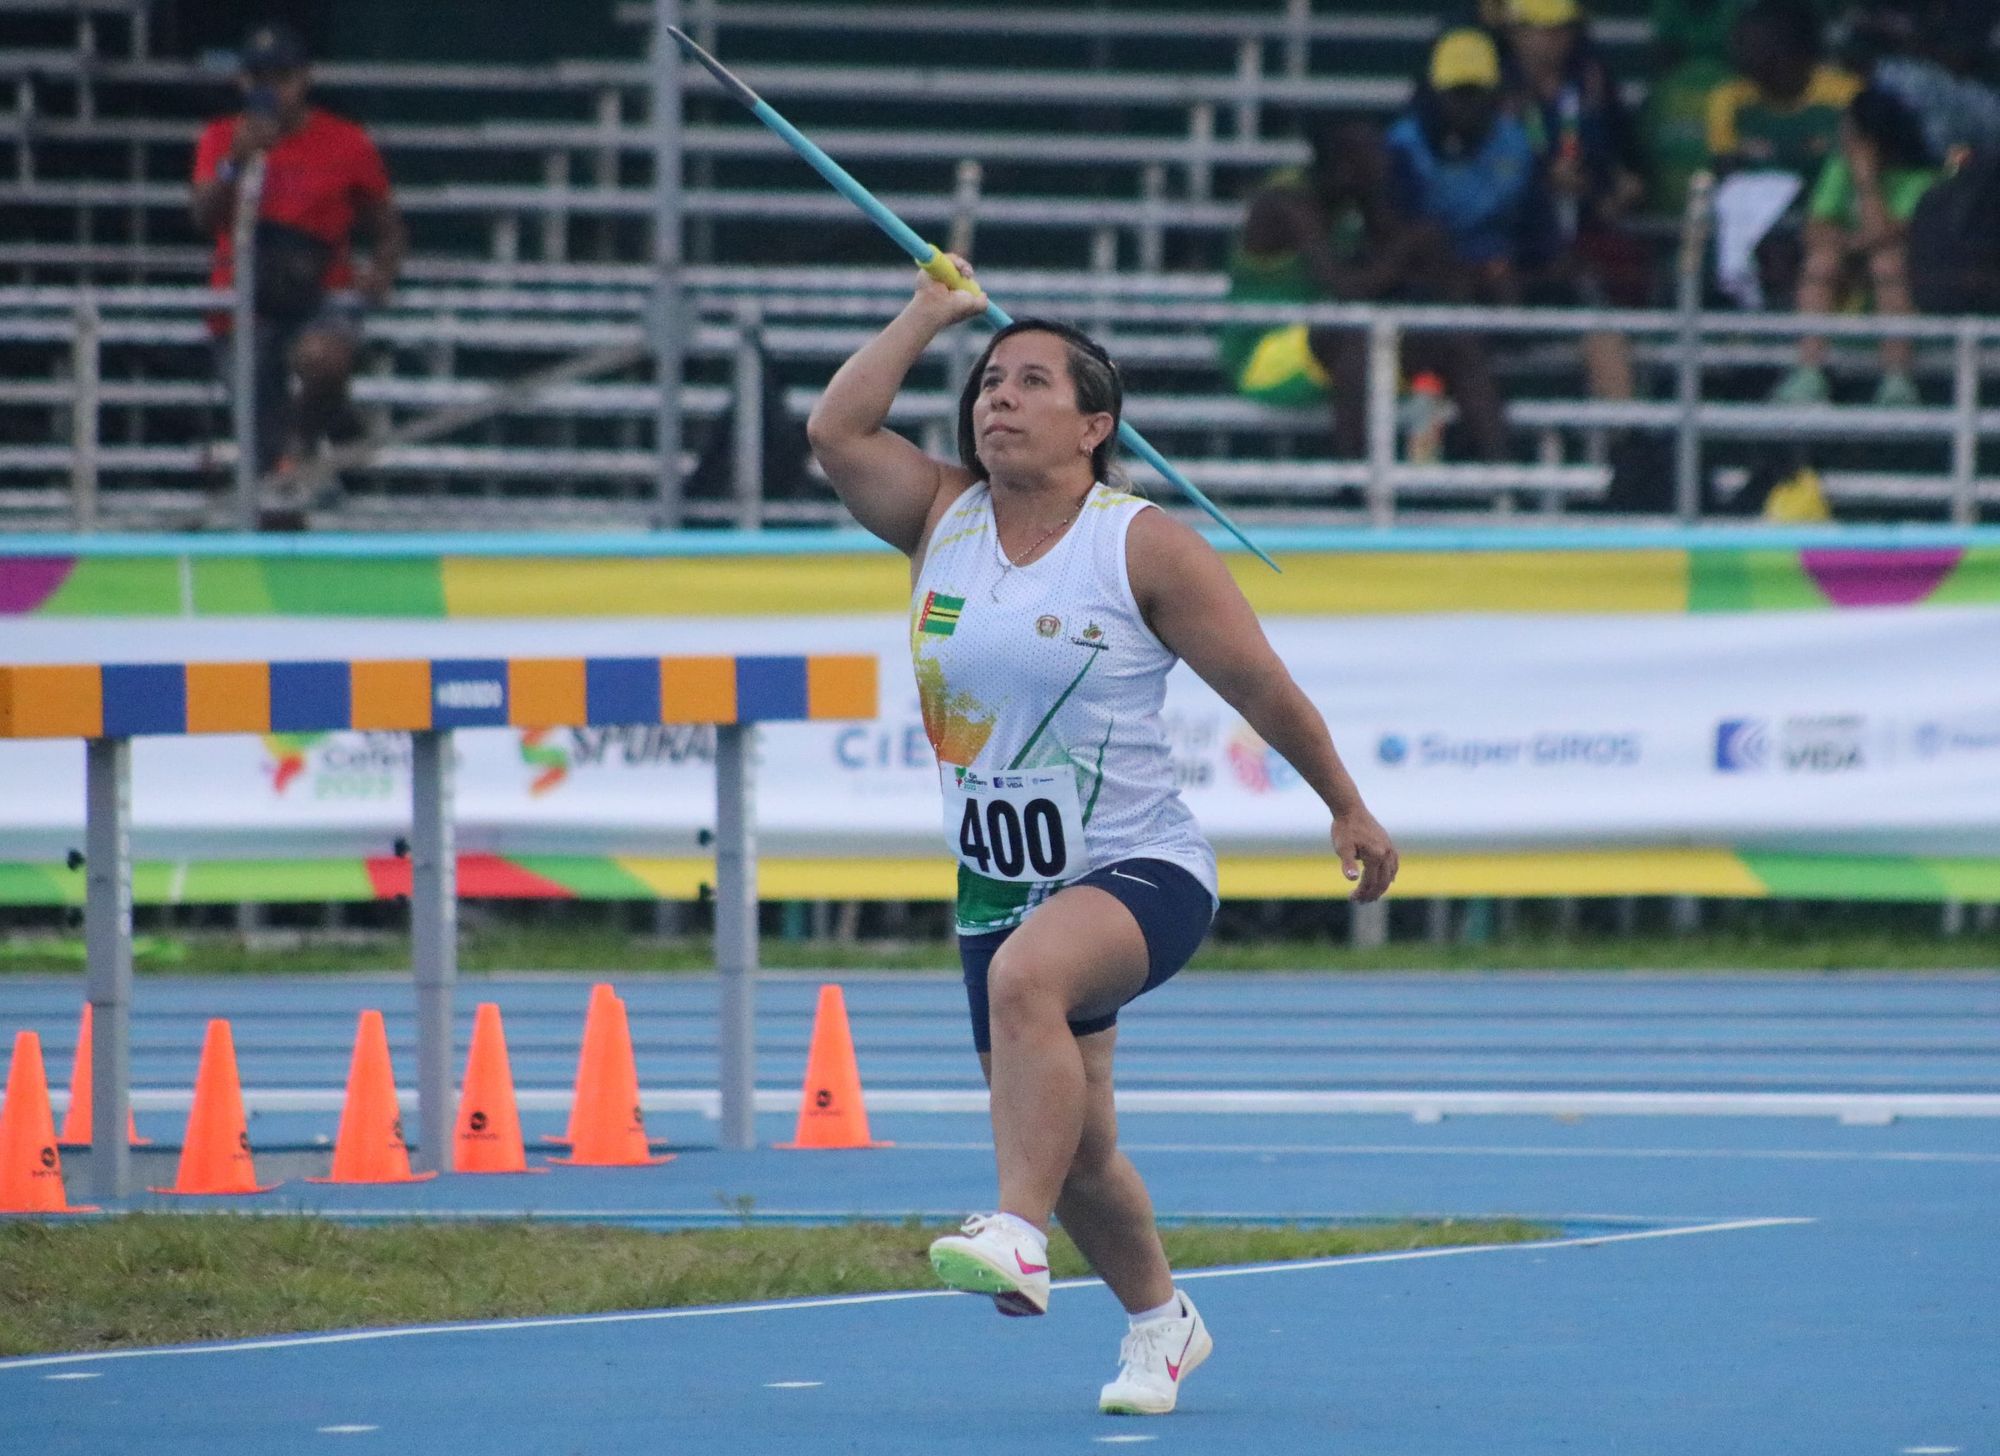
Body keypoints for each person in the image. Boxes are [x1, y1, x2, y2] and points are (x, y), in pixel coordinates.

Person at [806, 262, 1399, 1417]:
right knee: (1075, 1143)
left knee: (1033, 987)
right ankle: (1159, 1324)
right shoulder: (939, 515)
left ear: (1094, 425)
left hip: (1139, 870)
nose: (997, 399)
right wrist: (930, 315)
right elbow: (836, 428)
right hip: (994, 883)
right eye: (987, 382)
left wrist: (1345, 802)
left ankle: (1013, 1233)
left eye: (1031, 383)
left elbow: (1260, 688)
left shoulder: (1141, 546)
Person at [190, 22, 403, 507]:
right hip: (245, 296)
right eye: (260, 78)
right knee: (267, 471)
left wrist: (381, 271)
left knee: (323, 356)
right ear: (244, 83)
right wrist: (235, 162)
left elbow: (387, 223)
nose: (272, 90)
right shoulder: (223, 137)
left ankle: (306, 438)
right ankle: (321, 441)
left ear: (304, 78)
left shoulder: (346, 142)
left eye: (282, 78)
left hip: (319, 289)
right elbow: (203, 216)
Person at [1223, 115, 1509, 462]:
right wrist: (1406, 248)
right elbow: (1347, 288)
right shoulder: (1287, 203)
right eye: (1372, 159)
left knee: (1453, 340)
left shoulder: (1360, 202)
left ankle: (1504, 482)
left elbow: (1412, 264)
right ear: (1343, 166)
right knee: (1354, 336)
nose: (1383, 168)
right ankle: (1355, 484)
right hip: (1263, 356)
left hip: (1336, 346)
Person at [1503, 0, 1652, 401]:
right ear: (1516, 33)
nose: (1558, 41)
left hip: (1584, 247)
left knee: (1607, 328)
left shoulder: (1591, 83)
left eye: (1565, 29)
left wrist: (1617, 189)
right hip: (1517, 257)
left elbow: (1628, 163)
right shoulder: (1495, 89)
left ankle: (1628, 443)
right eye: (1545, 29)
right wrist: (1539, 178)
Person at [1777, 86, 1941, 403]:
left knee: (1887, 262)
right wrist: (1850, 244)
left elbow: (1887, 233)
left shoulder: (1921, 180)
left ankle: (1897, 377)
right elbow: (1816, 228)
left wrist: (1866, 183)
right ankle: (1809, 372)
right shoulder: (1840, 168)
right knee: (1821, 261)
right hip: (1848, 275)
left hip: (1907, 284)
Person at [1384, 31, 1568, 308]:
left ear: (1495, 93)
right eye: (1457, 93)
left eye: (1476, 93)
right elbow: (1403, 231)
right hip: (1430, 280)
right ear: (1434, 91)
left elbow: (1537, 227)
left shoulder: (1517, 144)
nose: (1467, 105)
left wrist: (1514, 265)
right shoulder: (1404, 146)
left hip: (1505, 273)